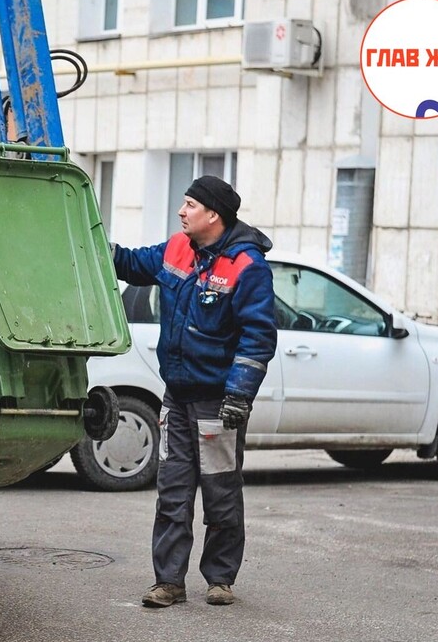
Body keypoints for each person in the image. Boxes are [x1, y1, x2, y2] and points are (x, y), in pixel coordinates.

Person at [112, 175, 276, 607]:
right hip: (177, 397)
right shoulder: (177, 248)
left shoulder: (247, 266)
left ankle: (220, 579)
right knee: (173, 492)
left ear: (213, 215)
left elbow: (258, 336)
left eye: (189, 204)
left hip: (217, 403)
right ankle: (168, 582)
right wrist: (92, 244)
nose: (181, 211)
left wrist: (239, 395)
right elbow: (130, 263)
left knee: (221, 494)